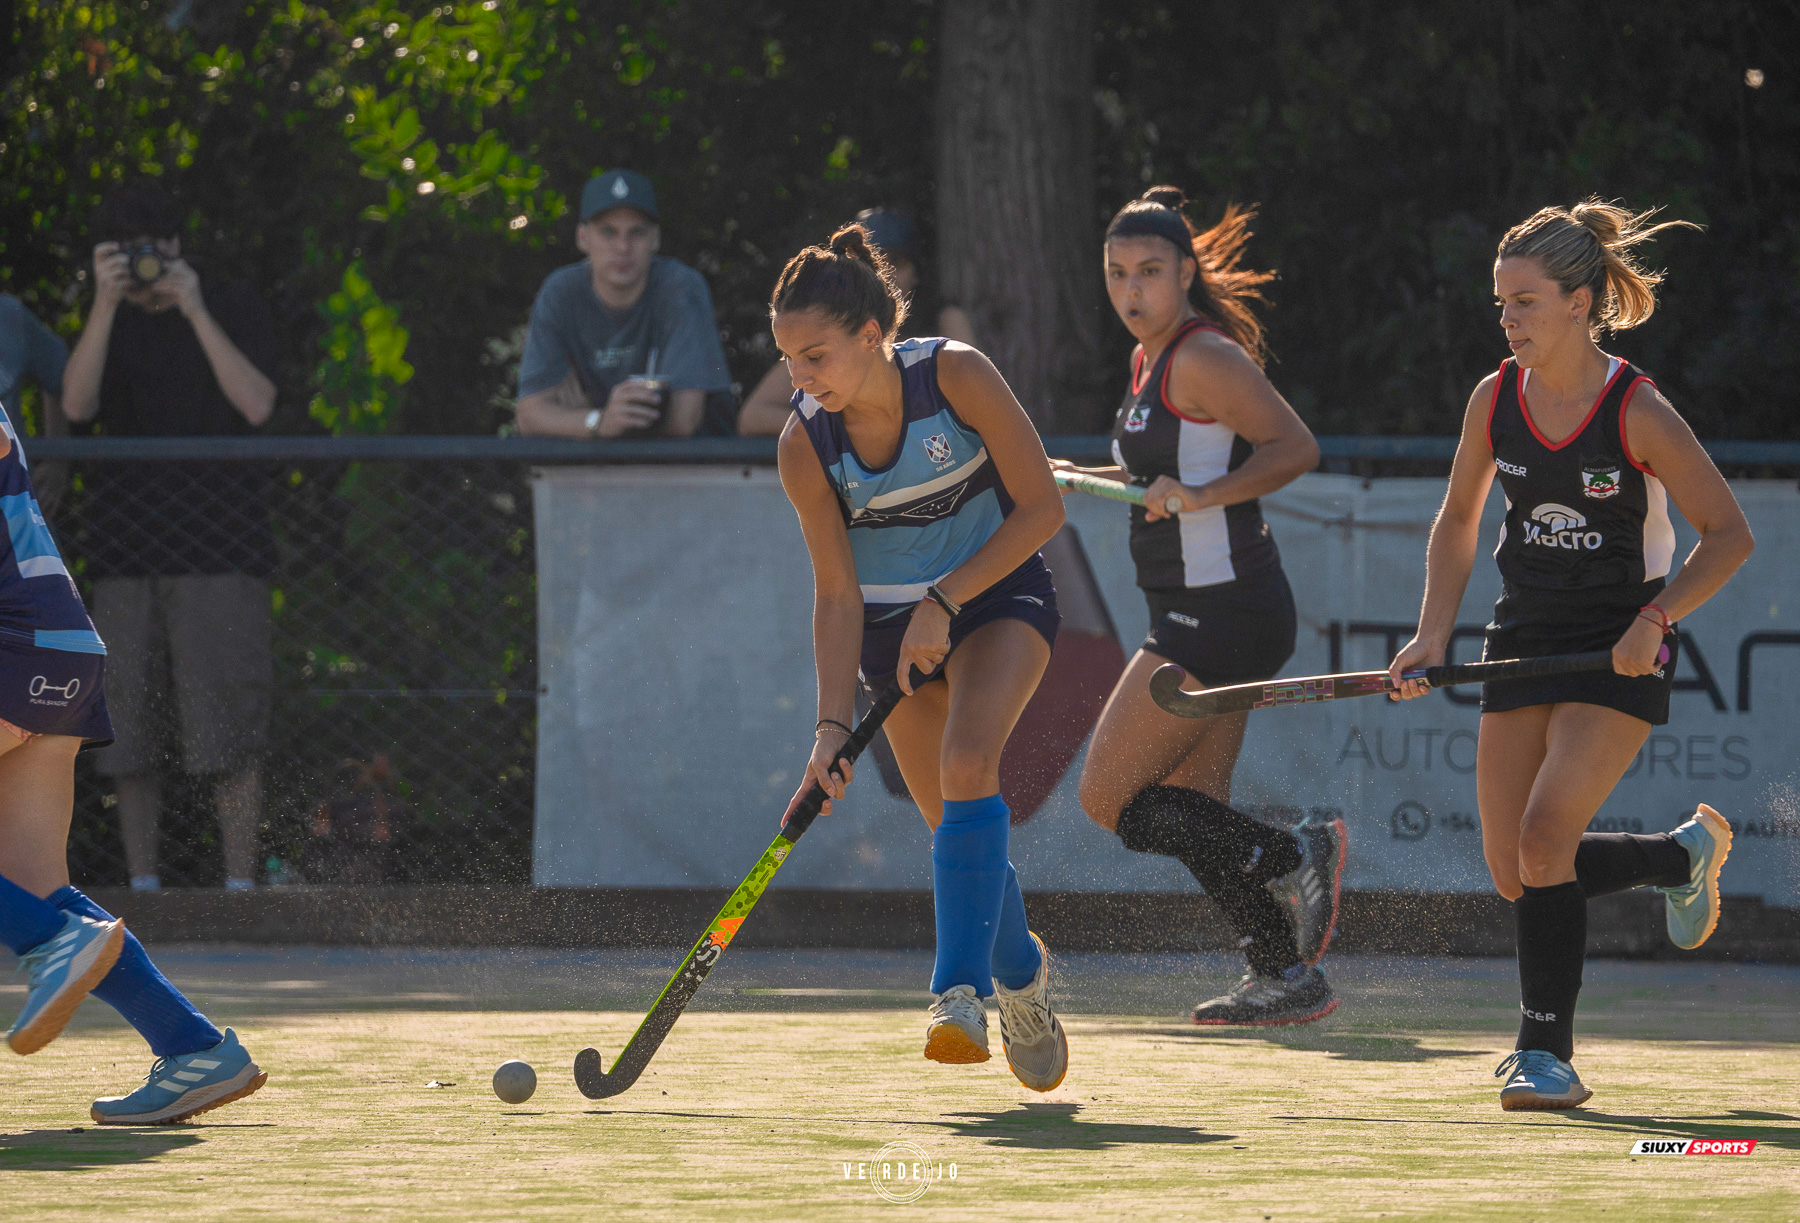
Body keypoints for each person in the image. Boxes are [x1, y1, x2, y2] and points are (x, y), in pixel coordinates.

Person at [1389, 199, 1752, 1111]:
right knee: (1514, 867)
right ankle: (1678, 858)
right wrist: (1432, 632)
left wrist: (1656, 618)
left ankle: (1544, 1054)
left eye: (1526, 302)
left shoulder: (1638, 410)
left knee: (1545, 840)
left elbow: (1729, 534)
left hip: (1619, 641)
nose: (1508, 319)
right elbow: (1459, 519)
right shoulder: (1495, 398)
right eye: (1501, 303)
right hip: (1524, 632)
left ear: (1579, 303)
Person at [772, 223, 1069, 1090]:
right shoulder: (804, 444)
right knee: (958, 838)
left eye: (815, 356)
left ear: (872, 336)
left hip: (997, 598)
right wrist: (829, 729)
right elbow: (837, 594)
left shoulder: (956, 375)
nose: (800, 378)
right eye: (788, 360)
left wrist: (944, 600)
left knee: (969, 762)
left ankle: (956, 992)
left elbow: (1042, 508)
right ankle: (1023, 978)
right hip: (887, 635)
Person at [1052, 187, 1339, 1026]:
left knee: (1111, 801)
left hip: (1222, 611)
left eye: (1149, 272)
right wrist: (1073, 476)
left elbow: (1296, 446)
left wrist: (1205, 495)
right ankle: (1283, 973)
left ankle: (1294, 852)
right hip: (1198, 610)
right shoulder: (1147, 360)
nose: (1130, 290)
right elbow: (1159, 478)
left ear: (1185, 273)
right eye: (1116, 274)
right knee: (1190, 809)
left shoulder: (1202, 355)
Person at [0, 342, 266, 1123]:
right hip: (59, 647)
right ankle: (194, 1048)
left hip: (16, 646)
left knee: (44, 923)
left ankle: (49, 940)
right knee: (37, 892)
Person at [60, 179, 279, 892]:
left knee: (229, 726)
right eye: (126, 252)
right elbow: (77, 405)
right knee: (127, 730)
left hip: (221, 549)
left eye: (151, 249)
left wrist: (194, 308)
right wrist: (103, 303)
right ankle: (144, 887)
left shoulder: (230, 303)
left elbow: (257, 404)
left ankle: (240, 889)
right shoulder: (105, 316)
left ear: (179, 247)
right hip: (124, 553)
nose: (143, 266)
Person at [514, 168, 733, 439]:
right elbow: (529, 415)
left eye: (636, 232)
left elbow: (684, 421)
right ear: (583, 238)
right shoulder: (560, 291)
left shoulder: (681, 287)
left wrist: (580, 421)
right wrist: (600, 421)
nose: (622, 247)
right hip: (594, 462)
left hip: (683, 462)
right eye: (608, 232)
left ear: (655, 239)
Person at [738, 208, 975, 437]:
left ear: (916, 272)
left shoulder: (946, 320)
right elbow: (753, 416)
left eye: (896, 262)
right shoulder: (823, 329)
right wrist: (839, 431)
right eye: (872, 262)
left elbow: (969, 397)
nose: (885, 274)